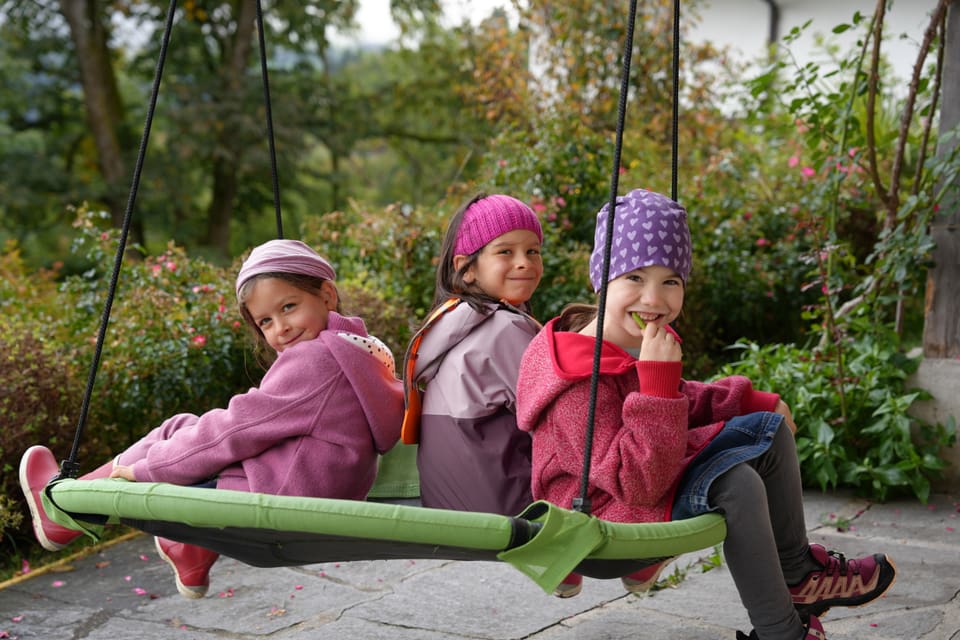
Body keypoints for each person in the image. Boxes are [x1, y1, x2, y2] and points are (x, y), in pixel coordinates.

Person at [515, 189, 897, 639]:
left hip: (638, 485)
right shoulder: (576, 379)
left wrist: (750, 400)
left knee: (769, 432)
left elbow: (679, 400)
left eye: (671, 281)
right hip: (600, 523)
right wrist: (656, 382)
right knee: (736, 484)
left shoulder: (627, 342)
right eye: (634, 277)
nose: (653, 298)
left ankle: (797, 573)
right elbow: (635, 483)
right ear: (601, 279)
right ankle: (780, 633)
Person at [20, 239, 405, 599]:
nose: (280, 328)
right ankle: (191, 550)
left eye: (288, 307)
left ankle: (64, 509)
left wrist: (145, 471)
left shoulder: (316, 360)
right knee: (183, 428)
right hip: (318, 486)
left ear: (326, 294)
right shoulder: (363, 351)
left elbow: (232, 431)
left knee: (178, 437)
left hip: (281, 497)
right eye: (265, 322)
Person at [402, 193, 543, 517]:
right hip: (507, 510)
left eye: (532, 251)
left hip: (448, 508)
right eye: (505, 251)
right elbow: (555, 421)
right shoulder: (506, 330)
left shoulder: (449, 324)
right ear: (466, 269)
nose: (524, 262)